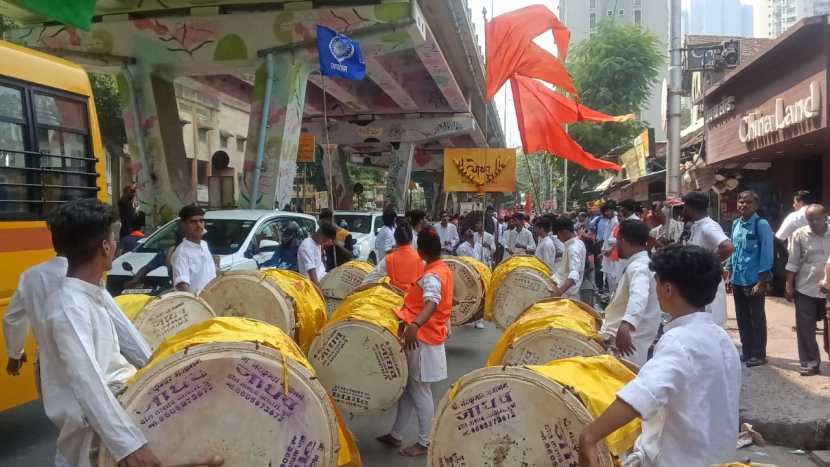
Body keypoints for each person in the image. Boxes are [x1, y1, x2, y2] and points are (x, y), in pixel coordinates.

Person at [578, 245, 741, 467]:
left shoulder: (679, 341)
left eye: (656, 282)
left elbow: (642, 395)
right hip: (718, 458)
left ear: (667, 289)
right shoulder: (722, 339)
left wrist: (589, 436)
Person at [41, 199, 160, 467]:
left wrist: (165, 373)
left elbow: (136, 347)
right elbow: (88, 384)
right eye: (113, 239)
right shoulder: (68, 306)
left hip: (119, 417)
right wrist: (130, 445)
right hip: (91, 440)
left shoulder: (94, 291)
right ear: (106, 247)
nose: (115, 245)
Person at [376, 227, 453, 457]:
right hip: (426, 335)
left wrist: (415, 325)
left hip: (422, 338)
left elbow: (432, 302)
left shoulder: (432, 274)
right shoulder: (441, 268)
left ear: (420, 251)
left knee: (419, 390)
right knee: (410, 388)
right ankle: (397, 434)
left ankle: (425, 441)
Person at [599, 220, 662, 367]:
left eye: (617, 241)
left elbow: (638, 296)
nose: (616, 246)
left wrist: (626, 325)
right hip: (631, 337)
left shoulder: (639, 267)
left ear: (624, 241)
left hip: (629, 341)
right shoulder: (640, 263)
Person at [725, 191, 774, 367]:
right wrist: (729, 273)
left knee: (757, 318)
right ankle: (747, 352)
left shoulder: (762, 225)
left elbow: (767, 253)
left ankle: (759, 354)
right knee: (742, 317)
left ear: (756, 205)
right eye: (740, 202)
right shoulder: (736, 224)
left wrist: (762, 281)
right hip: (738, 278)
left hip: (754, 279)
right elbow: (733, 251)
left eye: (748, 202)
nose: (743, 205)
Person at [785, 204, 830, 376]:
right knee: (805, 327)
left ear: (826, 217)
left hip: (829, 287)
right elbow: (793, 262)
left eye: (817, 219)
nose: (813, 223)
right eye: (810, 220)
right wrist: (789, 284)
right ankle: (811, 362)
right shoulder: (800, 234)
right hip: (806, 286)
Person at [682, 191, 735, 327]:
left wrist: (708, 264)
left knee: (711, 327)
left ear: (690, 208)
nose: (683, 210)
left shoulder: (708, 226)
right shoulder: (696, 226)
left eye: (684, 207)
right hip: (700, 287)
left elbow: (728, 247)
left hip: (709, 287)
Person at [363, 223, 425, 293]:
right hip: (415, 300)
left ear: (395, 239)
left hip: (395, 300)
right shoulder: (422, 258)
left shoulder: (389, 259)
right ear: (411, 238)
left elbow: (369, 280)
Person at [171, 204, 216, 295]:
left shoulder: (204, 245)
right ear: (183, 225)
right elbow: (182, 285)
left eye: (201, 221)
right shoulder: (182, 252)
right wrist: (197, 303)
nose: (199, 225)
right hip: (196, 305)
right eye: (193, 222)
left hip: (213, 301)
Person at [551, 217, 587, 300]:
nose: (558, 238)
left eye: (558, 235)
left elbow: (574, 274)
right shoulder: (578, 242)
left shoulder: (573, 248)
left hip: (566, 296)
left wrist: (559, 292)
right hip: (565, 292)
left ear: (564, 232)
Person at [600, 203, 621, 294]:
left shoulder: (616, 221)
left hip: (614, 254)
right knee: (609, 278)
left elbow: (615, 239)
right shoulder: (609, 221)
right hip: (607, 254)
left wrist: (610, 250)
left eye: (609, 210)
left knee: (613, 279)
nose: (607, 213)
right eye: (605, 211)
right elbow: (606, 238)